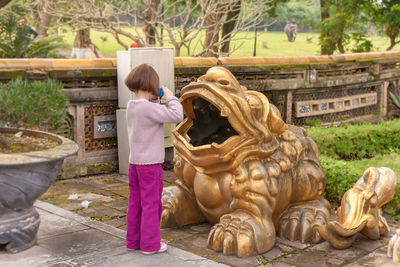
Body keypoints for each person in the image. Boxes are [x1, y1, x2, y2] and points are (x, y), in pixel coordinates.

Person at [124, 64, 183, 254]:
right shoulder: (148, 109)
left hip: (134, 164)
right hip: (150, 167)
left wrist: (156, 101)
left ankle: (133, 241)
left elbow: (149, 116)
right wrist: (170, 97)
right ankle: (150, 244)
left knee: (135, 203)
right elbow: (177, 115)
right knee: (151, 205)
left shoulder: (132, 106)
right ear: (151, 86)